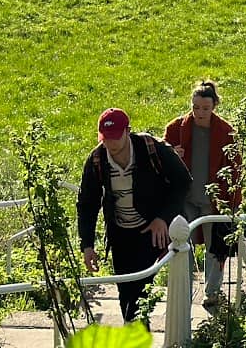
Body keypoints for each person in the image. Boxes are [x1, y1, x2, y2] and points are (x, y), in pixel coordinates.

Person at [76, 107, 192, 324]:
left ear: (127, 131)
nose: (110, 143)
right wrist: (87, 246)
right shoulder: (97, 159)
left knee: (140, 292)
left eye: (115, 137)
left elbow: (183, 182)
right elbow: (87, 204)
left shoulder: (151, 147)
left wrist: (163, 218)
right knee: (125, 293)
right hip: (120, 234)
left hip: (152, 230)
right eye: (105, 137)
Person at [164, 80, 243, 309]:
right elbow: (160, 163)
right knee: (182, 247)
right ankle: (182, 292)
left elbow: (235, 172)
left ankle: (212, 292)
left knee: (214, 249)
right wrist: (172, 156)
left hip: (213, 202)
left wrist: (233, 206)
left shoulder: (226, 133)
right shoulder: (175, 129)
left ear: (214, 106)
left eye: (205, 108)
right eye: (195, 107)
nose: (199, 113)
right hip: (185, 200)